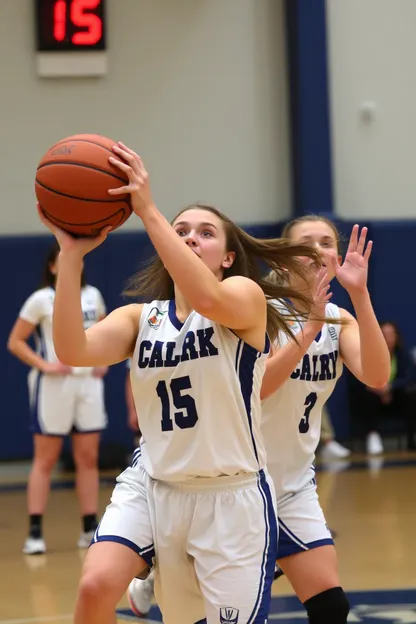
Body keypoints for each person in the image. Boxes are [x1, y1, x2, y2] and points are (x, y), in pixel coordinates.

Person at [37, 141, 323, 624]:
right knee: (93, 587)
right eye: (180, 230)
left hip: (231, 497)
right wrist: (70, 256)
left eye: (205, 233)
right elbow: (72, 349)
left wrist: (148, 211)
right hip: (153, 484)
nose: (190, 237)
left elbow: (207, 298)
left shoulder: (242, 297)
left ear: (229, 257)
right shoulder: (139, 318)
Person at [260, 216, 390, 624]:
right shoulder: (258, 310)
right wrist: (310, 324)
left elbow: (377, 376)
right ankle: (155, 562)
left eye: (326, 242)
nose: (319, 250)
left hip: (292, 484)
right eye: (306, 243)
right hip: (237, 480)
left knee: (331, 607)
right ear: (283, 260)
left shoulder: (340, 320)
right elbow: (257, 389)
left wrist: (360, 295)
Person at [7, 241, 108, 555]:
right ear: (53, 266)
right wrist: (45, 365)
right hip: (54, 385)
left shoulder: (93, 296)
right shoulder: (41, 299)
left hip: (87, 384)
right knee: (46, 458)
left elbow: (104, 329)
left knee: (88, 457)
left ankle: (89, 526)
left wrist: (103, 360)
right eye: (62, 260)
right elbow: (16, 341)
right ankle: (35, 531)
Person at [349, 320, 416, 453]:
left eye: (391, 335)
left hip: (394, 396)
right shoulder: (368, 353)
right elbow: (357, 376)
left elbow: (409, 377)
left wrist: (391, 387)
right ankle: (373, 436)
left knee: (411, 395)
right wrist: (376, 387)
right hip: (374, 395)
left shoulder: (402, 355)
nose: (388, 338)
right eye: (384, 335)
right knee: (366, 397)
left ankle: (411, 438)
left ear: (397, 337)